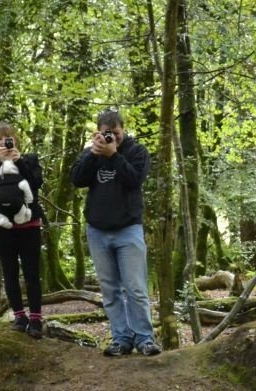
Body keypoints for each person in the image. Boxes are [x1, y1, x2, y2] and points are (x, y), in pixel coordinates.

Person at [70, 110, 160, 356]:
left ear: (123, 130)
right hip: (97, 231)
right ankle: (121, 338)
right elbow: (77, 179)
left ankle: (144, 339)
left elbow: (134, 179)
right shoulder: (91, 152)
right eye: (107, 134)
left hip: (128, 229)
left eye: (117, 134)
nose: (113, 138)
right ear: (99, 132)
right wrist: (93, 154)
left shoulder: (136, 151)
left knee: (135, 288)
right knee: (110, 290)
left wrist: (115, 155)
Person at [0, 122, 46, 339]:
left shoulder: (29, 160)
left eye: (8, 138)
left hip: (29, 226)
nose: (4, 142)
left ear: (16, 140)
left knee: (32, 272)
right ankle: (19, 316)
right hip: (1, 227)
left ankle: (36, 318)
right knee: (9, 271)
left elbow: (36, 182)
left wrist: (20, 162)